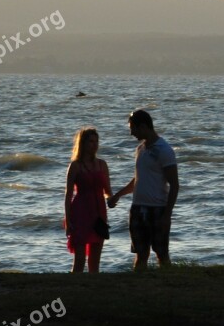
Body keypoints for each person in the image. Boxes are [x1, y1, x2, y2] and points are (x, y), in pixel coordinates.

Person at [108, 109, 179, 271]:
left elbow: (174, 185)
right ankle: (139, 284)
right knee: (140, 253)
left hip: (158, 209)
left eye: (133, 128)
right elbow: (137, 179)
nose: (131, 133)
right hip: (138, 208)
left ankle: (169, 284)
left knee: (162, 253)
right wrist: (118, 195)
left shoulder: (164, 150)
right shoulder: (141, 149)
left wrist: (167, 215)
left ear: (143, 126)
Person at [65, 127, 113, 273]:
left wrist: (112, 199)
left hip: (98, 213)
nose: (94, 145)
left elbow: (108, 192)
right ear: (83, 143)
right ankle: (74, 290)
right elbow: (68, 195)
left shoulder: (102, 164)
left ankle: (93, 291)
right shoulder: (75, 166)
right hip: (80, 213)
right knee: (79, 260)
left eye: (96, 141)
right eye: (91, 141)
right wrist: (68, 220)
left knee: (95, 261)